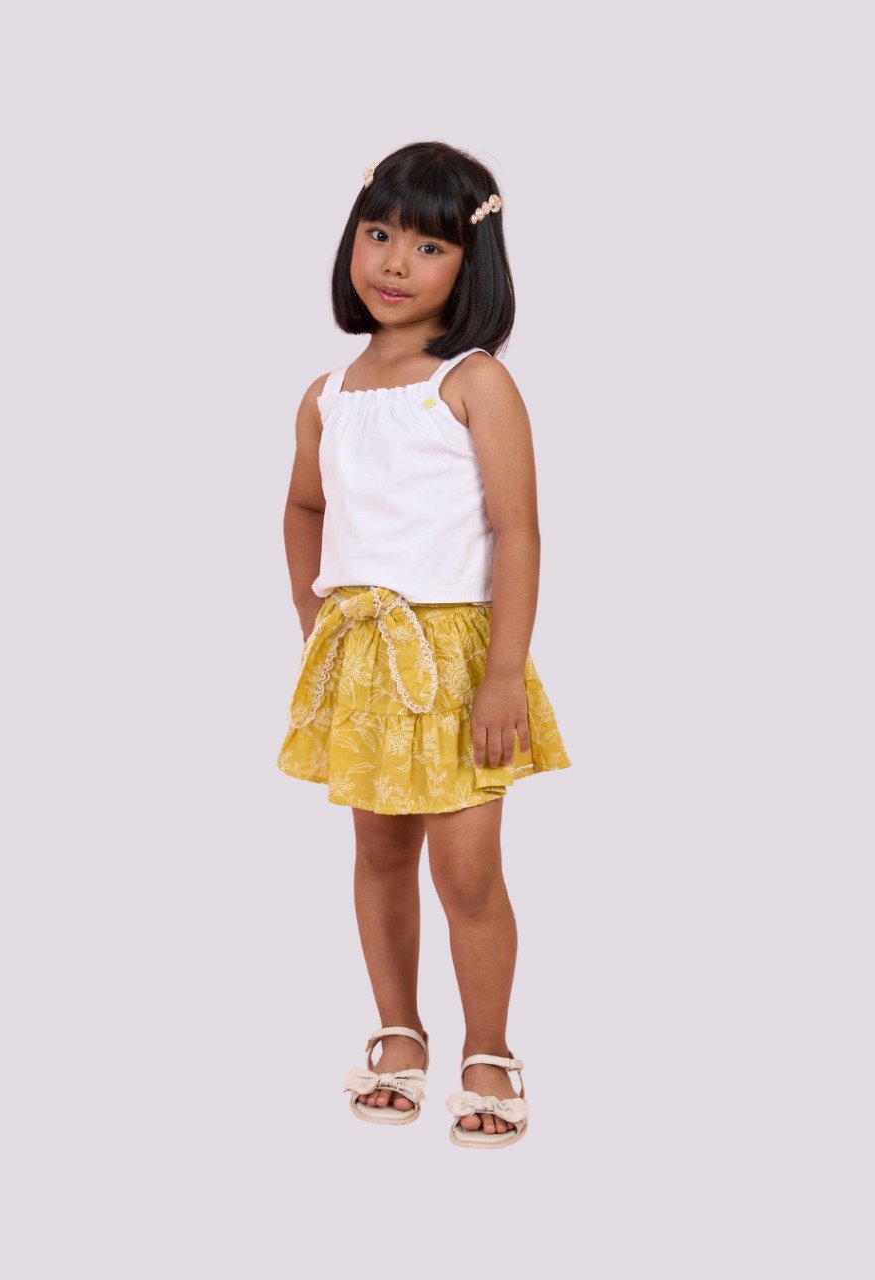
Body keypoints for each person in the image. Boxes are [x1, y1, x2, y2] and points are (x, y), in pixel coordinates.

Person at [277, 141, 572, 1149]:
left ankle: (488, 1046)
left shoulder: (473, 381)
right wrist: (316, 622)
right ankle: (398, 1027)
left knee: (467, 869)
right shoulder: (328, 392)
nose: (395, 262)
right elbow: (304, 506)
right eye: (378, 234)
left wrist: (504, 673)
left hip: (455, 657)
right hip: (365, 655)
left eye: (429, 245)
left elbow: (517, 531)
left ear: (470, 262)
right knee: (377, 848)